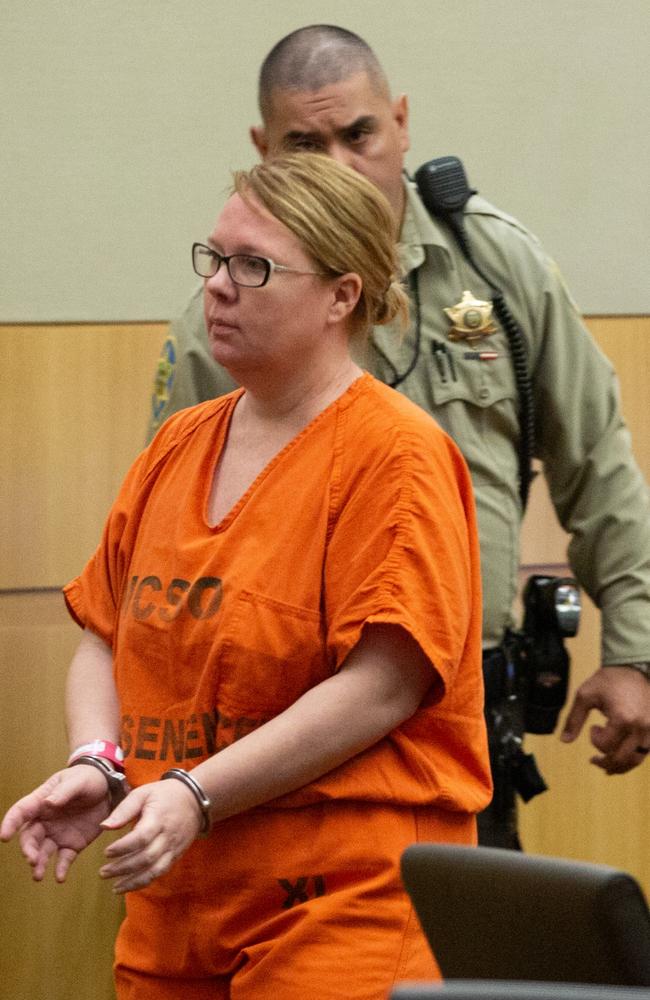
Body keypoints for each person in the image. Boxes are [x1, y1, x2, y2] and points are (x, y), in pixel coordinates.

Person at [146, 24, 650, 849]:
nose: (340, 165)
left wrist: (636, 650)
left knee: (468, 957)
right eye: (306, 144)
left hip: (464, 699)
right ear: (263, 148)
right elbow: (166, 549)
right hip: (282, 726)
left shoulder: (499, 267)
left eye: (360, 134)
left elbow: (598, 463)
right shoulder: (225, 320)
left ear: (403, 123)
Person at [1, 153, 491, 1000]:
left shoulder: (396, 455)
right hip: (177, 900)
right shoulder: (177, 444)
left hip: (340, 907)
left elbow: (383, 685)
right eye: (214, 258)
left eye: (254, 267)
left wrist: (196, 790)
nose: (218, 288)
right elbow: (104, 633)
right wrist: (100, 762)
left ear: (343, 295)